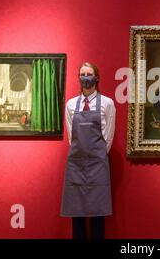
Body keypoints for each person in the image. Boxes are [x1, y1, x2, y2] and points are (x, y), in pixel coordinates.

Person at [60, 62, 116, 239]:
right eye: (82, 74)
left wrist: (97, 155)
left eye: (89, 74)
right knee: (77, 213)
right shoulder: (70, 104)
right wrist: (81, 154)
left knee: (97, 213)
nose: (86, 77)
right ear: (78, 78)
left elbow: (108, 137)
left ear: (96, 77)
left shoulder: (107, 103)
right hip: (76, 165)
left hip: (98, 165)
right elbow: (71, 137)